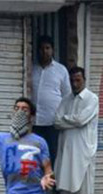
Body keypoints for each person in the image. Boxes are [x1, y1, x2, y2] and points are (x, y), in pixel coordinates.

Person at [54, 66, 99, 194]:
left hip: (83, 150)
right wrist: (71, 121)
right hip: (66, 149)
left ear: (84, 80)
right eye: (72, 81)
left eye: (78, 80)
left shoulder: (91, 99)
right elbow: (56, 121)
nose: (75, 84)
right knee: (66, 187)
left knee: (83, 189)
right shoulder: (66, 100)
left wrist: (66, 120)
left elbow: (81, 120)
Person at [32, 35, 71, 171]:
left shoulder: (61, 70)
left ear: (53, 50)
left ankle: (51, 183)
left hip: (52, 123)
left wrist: (63, 118)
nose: (45, 51)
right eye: (42, 48)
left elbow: (67, 96)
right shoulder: (31, 69)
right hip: (34, 123)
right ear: (37, 50)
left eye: (47, 48)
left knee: (51, 156)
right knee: (35, 156)